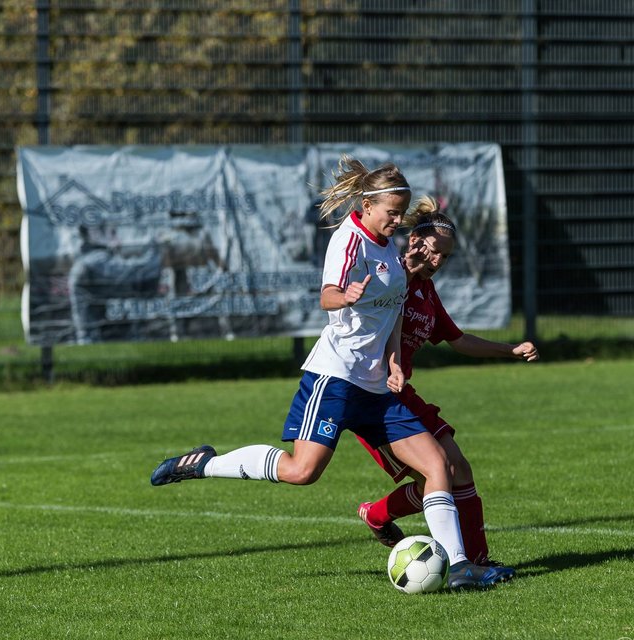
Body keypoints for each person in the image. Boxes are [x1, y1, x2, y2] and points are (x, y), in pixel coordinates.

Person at [149, 156, 513, 590]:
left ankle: (457, 567)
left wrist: (395, 362)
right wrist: (346, 295)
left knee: (438, 466)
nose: (396, 220)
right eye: (391, 213)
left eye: (401, 213)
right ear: (367, 204)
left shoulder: (392, 255)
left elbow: (394, 317)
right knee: (303, 471)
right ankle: (205, 464)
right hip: (335, 377)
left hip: (377, 390)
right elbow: (326, 296)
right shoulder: (350, 240)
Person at [355, 199, 538, 566]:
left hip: (403, 394)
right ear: (415, 242)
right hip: (372, 396)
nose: (438, 262)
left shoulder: (426, 291)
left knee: (457, 471)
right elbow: (373, 302)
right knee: (437, 477)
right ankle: (387, 520)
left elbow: (457, 339)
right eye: (436, 252)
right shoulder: (387, 272)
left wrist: (509, 350)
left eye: (445, 257)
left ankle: (479, 561)